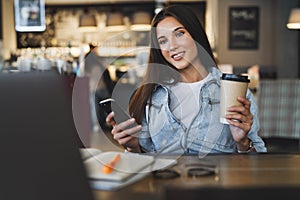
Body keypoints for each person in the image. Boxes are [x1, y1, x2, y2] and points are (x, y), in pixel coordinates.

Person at [105, 5, 267, 155]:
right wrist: (133, 147)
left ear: (195, 35)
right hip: (166, 185)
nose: (172, 46)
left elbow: (257, 162)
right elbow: (145, 162)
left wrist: (243, 143)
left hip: (216, 185)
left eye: (179, 33)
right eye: (163, 41)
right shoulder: (151, 95)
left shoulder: (234, 91)